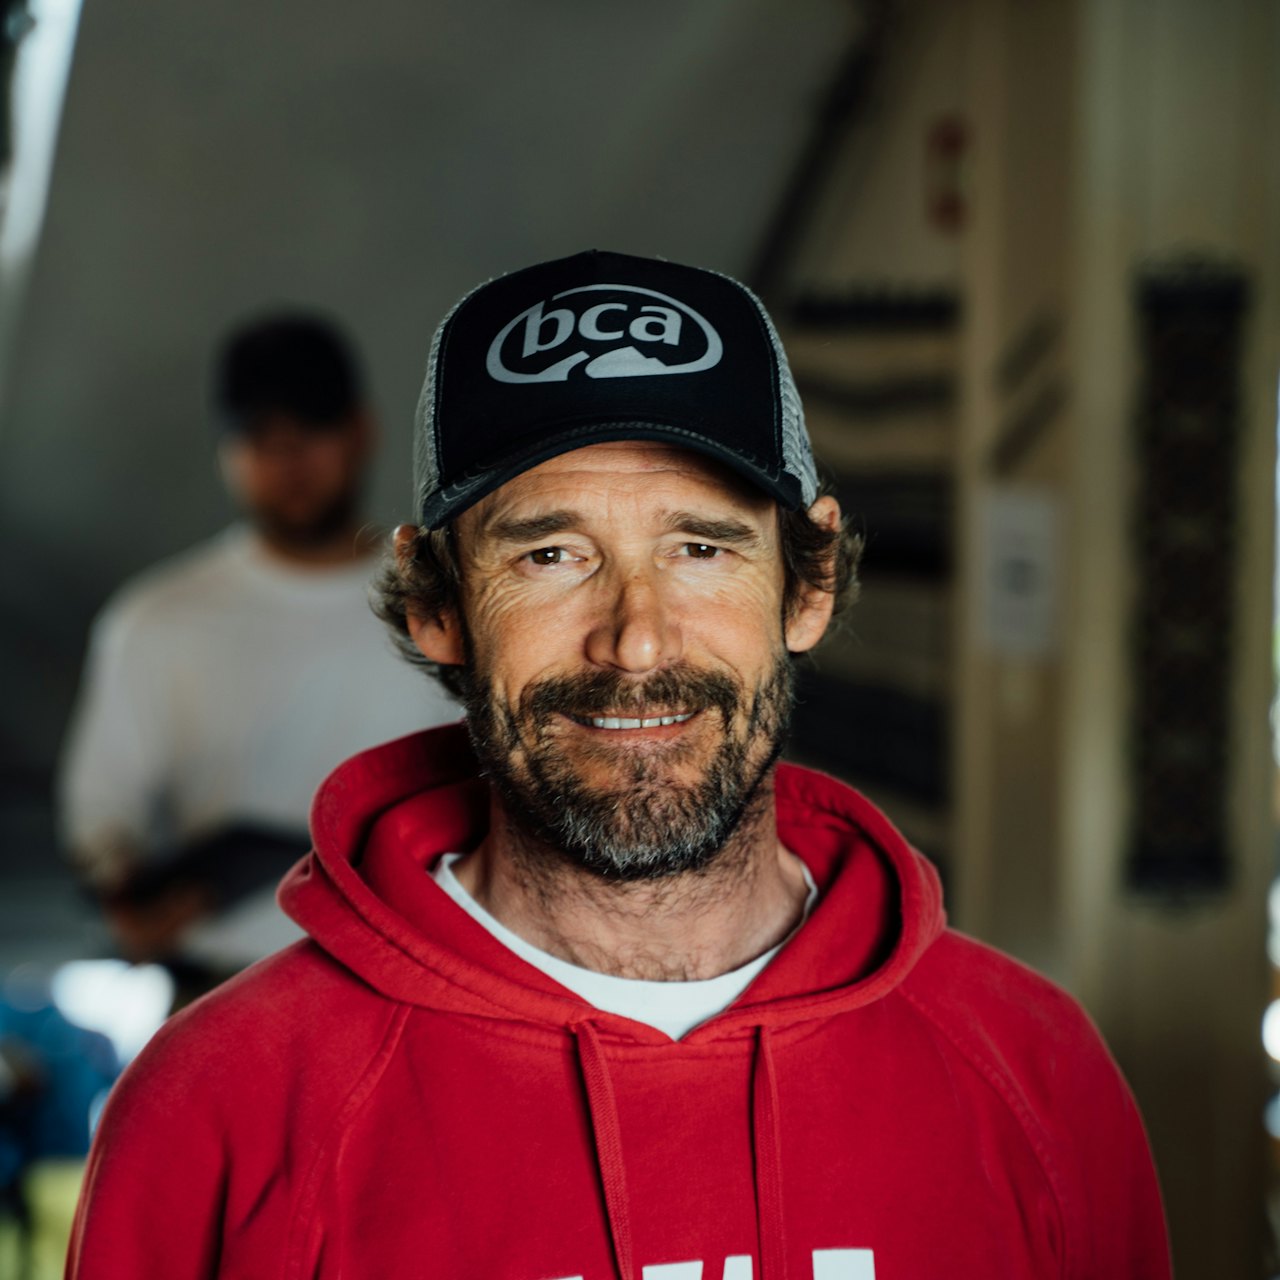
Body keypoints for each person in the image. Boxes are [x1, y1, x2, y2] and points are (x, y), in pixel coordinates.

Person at [66, 253, 1169, 1279]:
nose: (636, 640)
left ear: (807, 583)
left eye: (701, 547)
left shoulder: (1031, 1069)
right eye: (551, 554)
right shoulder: (220, 1108)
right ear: (438, 601)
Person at [58, 313, 456, 998]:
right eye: (259, 438)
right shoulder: (158, 618)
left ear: (360, 432)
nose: (287, 459)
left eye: (310, 431)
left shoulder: (442, 602)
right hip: (221, 986)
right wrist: (129, 892)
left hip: (415, 977)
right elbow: (101, 816)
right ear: (227, 453)